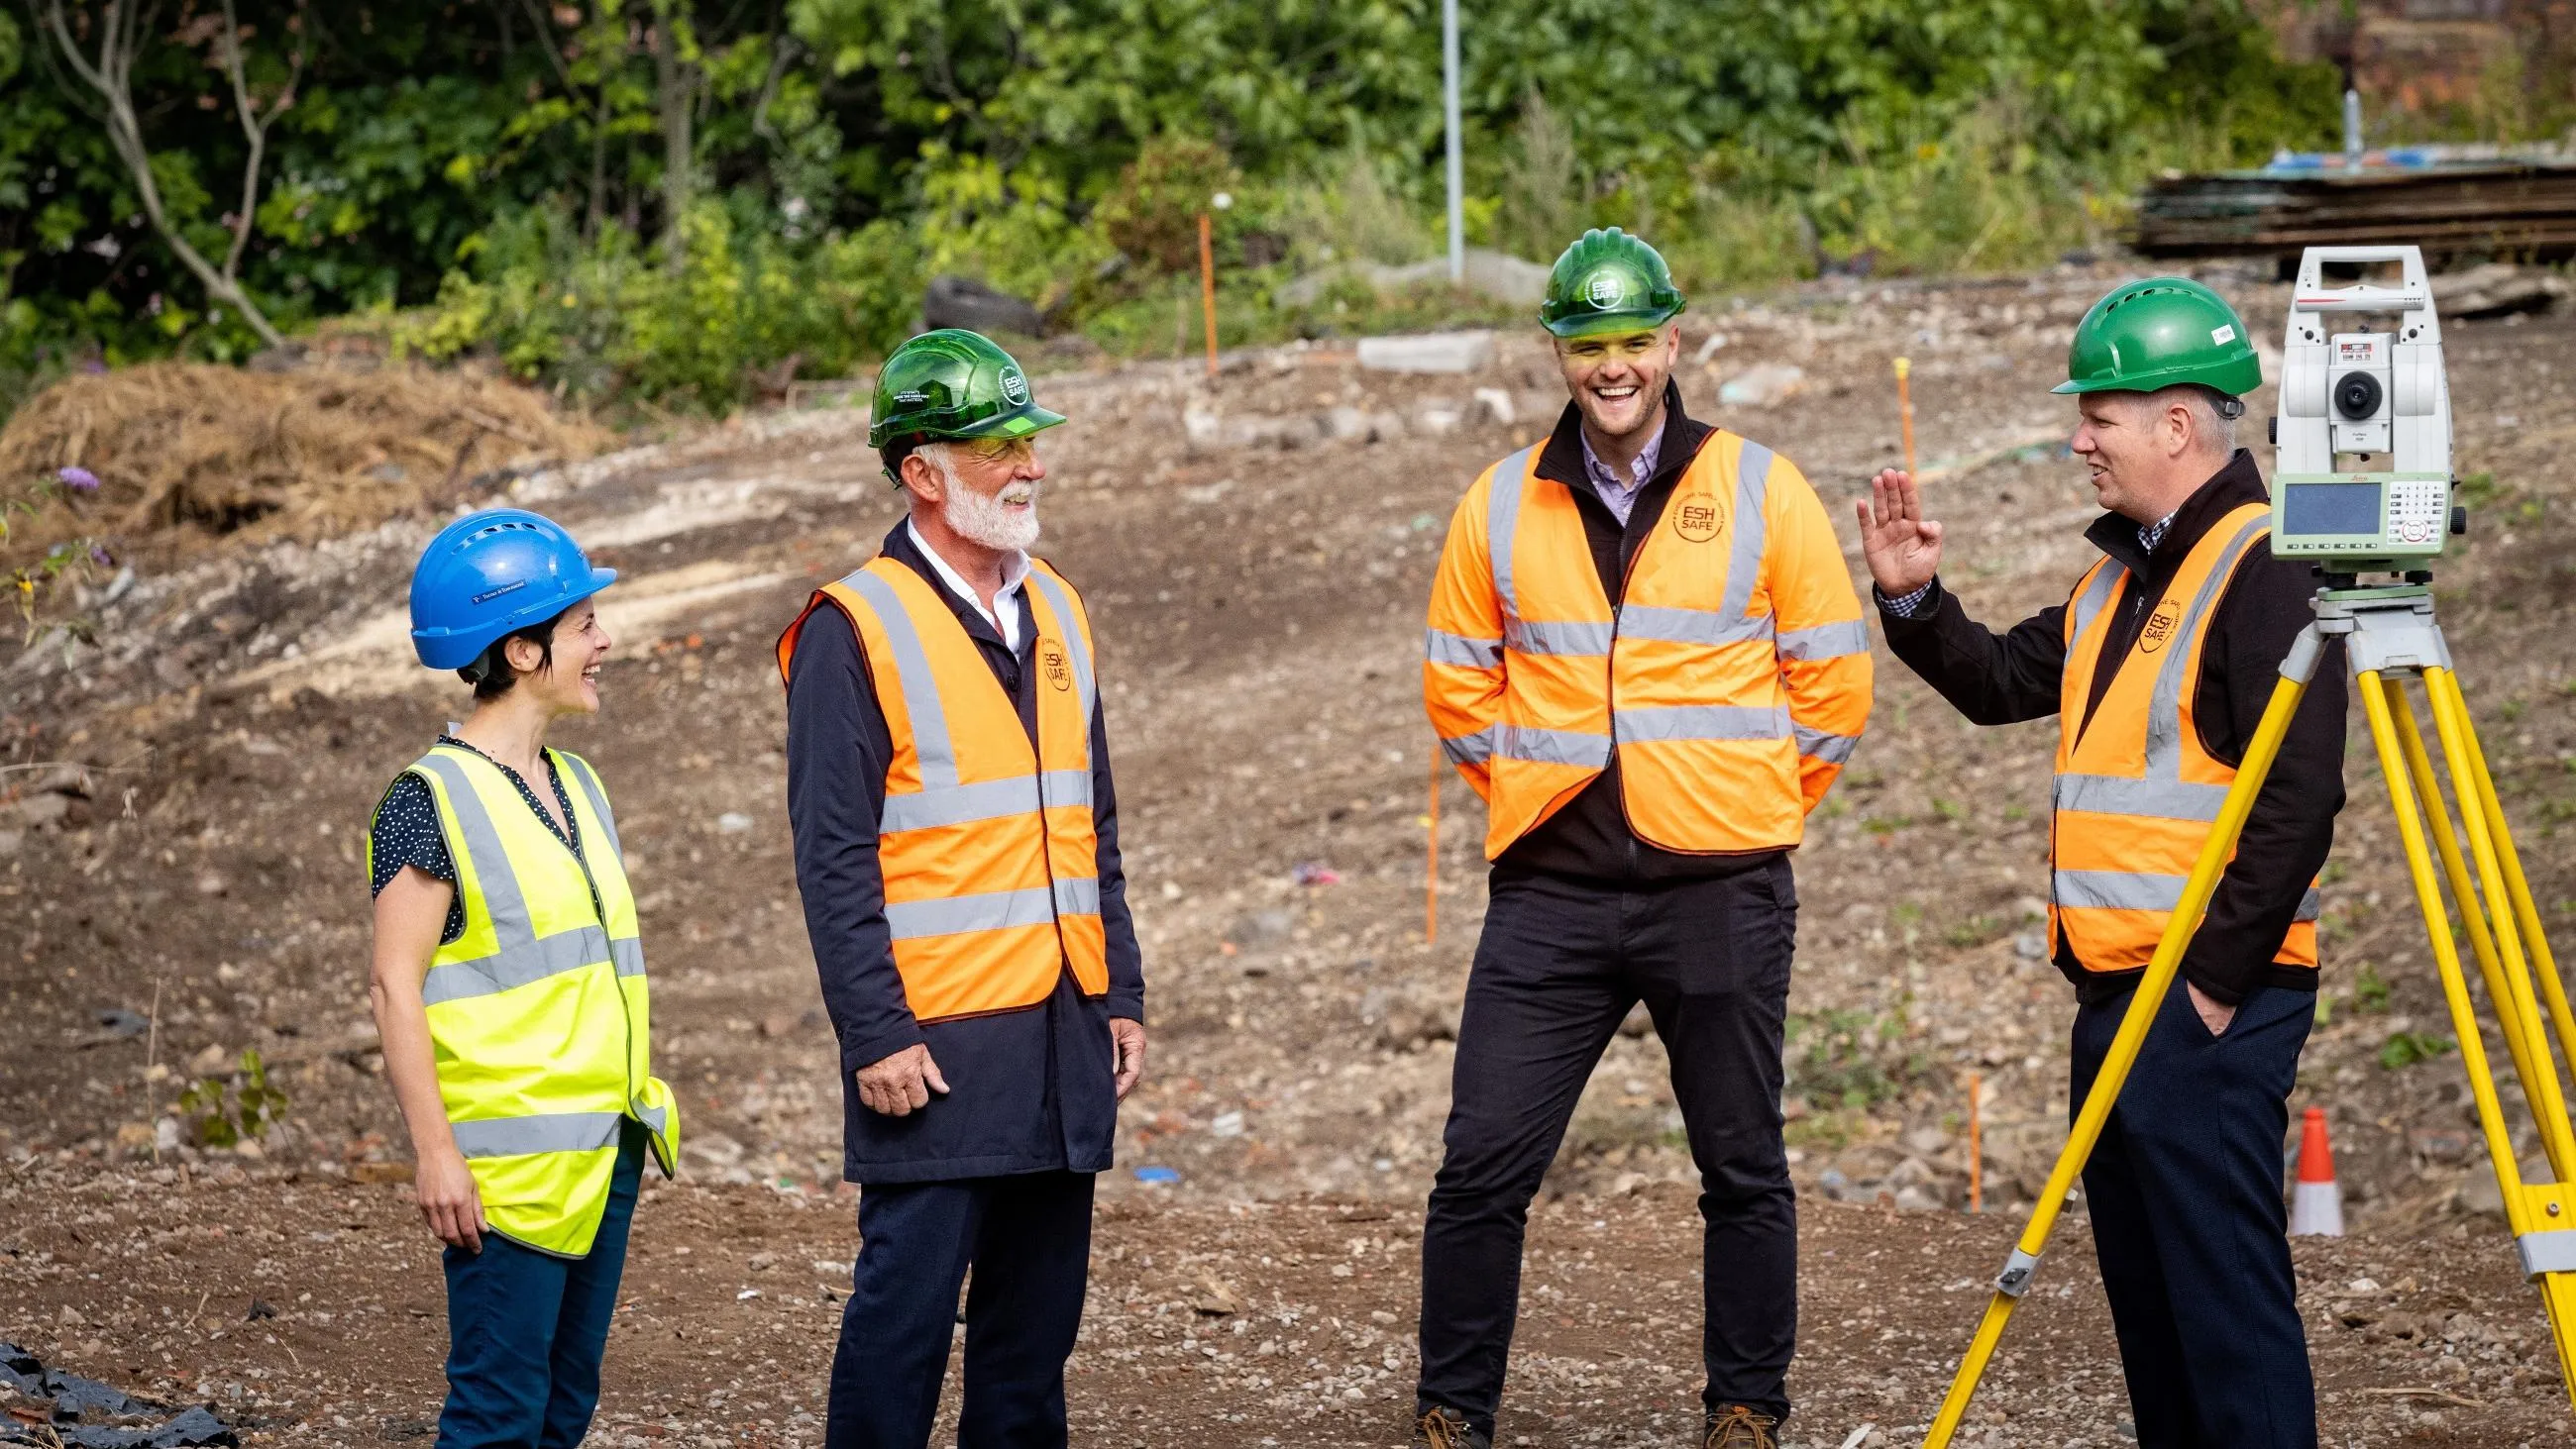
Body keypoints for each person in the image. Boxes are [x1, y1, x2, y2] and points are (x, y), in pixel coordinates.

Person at [1857, 276, 2345, 1449]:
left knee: (2223, 1306)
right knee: (2154, 1307)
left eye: (2101, 414)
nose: (2078, 436)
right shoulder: (2116, 579)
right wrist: (1911, 597)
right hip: (2115, 995)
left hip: (2203, 1003)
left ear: (2174, 425)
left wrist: (2213, 987)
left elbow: (2297, 795)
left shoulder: (2261, 561)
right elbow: (1995, 682)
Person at [1418, 229, 1874, 1449]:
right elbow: (1459, 689)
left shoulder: (1763, 488)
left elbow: (1831, 687)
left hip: (1718, 887)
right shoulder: (1499, 500)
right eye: (1586, 344)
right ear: (1557, 354)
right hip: (1550, 893)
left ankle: (1744, 1403)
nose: (1610, 366)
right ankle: (1451, 1407)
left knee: (1740, 1163)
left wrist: (1750, 810)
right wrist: (1534, 795)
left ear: (1672, 344)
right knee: (1478, 1167)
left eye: (1632, 341)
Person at [778, 329, 1146, 1449]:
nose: (1029, 466)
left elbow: (1096, 821)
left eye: (1030, 440)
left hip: (1060, 1032)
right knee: (900, 1330)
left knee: (1031, 1350)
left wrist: (1118, 989)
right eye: (998, 447)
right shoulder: (853, 626)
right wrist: (875, 1031)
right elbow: (829, 854)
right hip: (932, 1052)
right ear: (921, 472)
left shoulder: (1061, 611)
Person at [368, 508, 679, 1449]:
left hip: (601, 1152)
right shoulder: (429, 800)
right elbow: (394, 984)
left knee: (560, 1409)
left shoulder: (579, 783)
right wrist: (435, 1153)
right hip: (505, 1177)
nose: (604, 640)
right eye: (584, 625)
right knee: (498, 1414)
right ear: (521, 648)